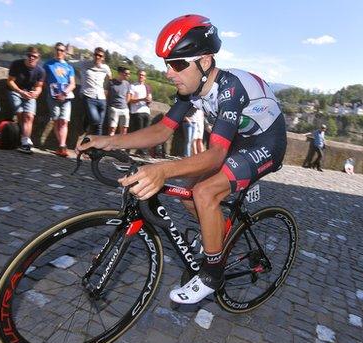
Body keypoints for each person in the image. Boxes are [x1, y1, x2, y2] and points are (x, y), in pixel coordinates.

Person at [78, 14, 287, 304]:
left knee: (205, 191)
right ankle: (219, 233)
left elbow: (215, 155)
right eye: (167, 64)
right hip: (239, 141)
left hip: (266, 142)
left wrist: (163, 170)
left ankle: (212, 274)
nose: (168, 73)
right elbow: (162, 131)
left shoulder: (230, 88)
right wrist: (108, 140)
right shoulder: (191, 88)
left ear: (205, 61)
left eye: (177, 64)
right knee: (190, 193)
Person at [7, 47, 45, 154]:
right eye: (29, 55)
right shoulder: (16, 64)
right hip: (15, 91)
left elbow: (39, 86)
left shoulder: (40, 71)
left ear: (38, 58)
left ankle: (25, 140)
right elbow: (10, 81)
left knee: (29, 116)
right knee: (20, 112)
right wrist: (20, 91)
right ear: (26, 55)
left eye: (34, 56)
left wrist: (36, 93)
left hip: (29, 93)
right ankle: (24, 139)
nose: (31, 58)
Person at [43, 42, 76, 157]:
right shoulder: (48, 64)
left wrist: (64, 93)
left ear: (65, 52)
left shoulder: (69, 67)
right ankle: (62, 146)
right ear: (54, 50)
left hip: (66, 96)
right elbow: (42, 80)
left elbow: (72, 84)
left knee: (64, 121)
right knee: (57, 121)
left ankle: (62, 146)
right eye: (57, 49)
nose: (59, 52)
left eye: (62, 50)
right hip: (52, 96)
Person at [80, 47, 111, 135]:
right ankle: (86, 120)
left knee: (99, 126)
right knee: (96, 121)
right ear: (93, 55)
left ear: (103, 58)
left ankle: (97, 148)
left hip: (101, 99)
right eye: (96, 54)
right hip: (89, 97)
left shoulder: (105, 68)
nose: (97, 57)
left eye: (100, 55)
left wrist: (106, 89)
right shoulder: (84, 64)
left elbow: (110, 78)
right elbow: (70, 65)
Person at [128, 70, 152, 155]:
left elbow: (149, 99)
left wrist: (149, 100)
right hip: (137, 112)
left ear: (145, 77)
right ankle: (142, 151)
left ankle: (141, 150)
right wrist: (142, 99)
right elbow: (130, 100)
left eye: (143, 75)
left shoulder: (147, 87)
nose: (141, 76)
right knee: (140, 132)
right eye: (140, 75)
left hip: (146, 111)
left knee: (146, 133)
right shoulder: (133, 86)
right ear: (137, 75)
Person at [107, 67, 132, 136]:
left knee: (124, 130)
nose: (128, 75)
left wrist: (124, 104)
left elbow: (128, 95)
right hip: (114, 109)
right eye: (126, 74)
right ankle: (109, 145)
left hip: (124, 109)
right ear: (120, 73)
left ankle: (120, 146)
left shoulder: (127, 84)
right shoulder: (111, 82)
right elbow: (107, 94)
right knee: (112, 129)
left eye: (129, 74)